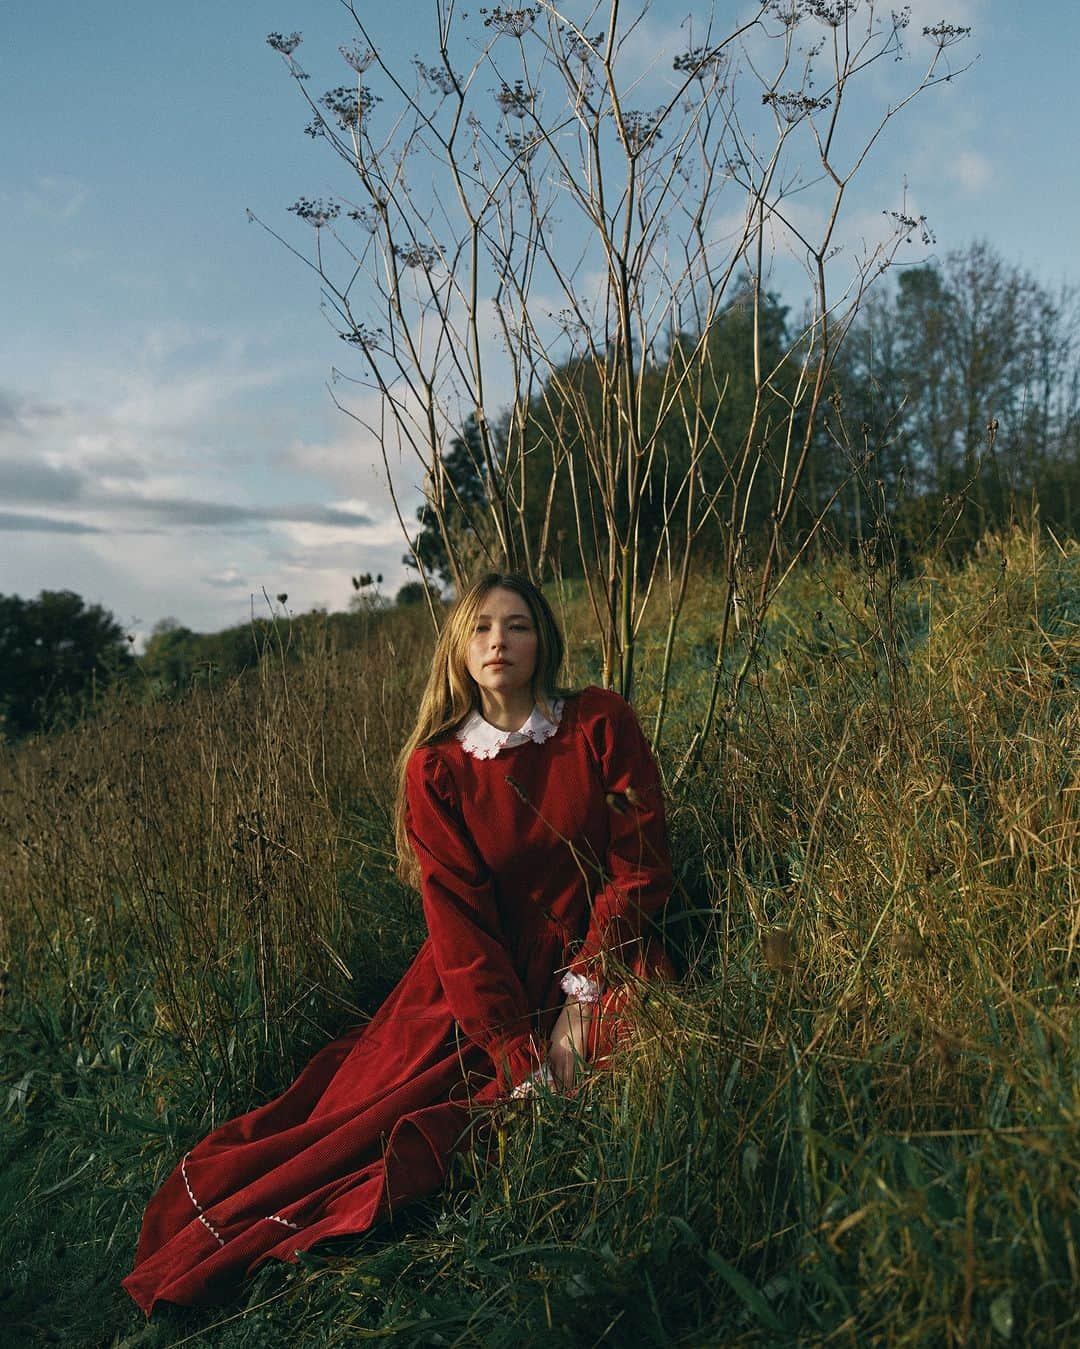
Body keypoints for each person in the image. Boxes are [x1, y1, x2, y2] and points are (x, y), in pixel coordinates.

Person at [122, 572, 674, 1315]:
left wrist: (585, 989)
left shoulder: (599, 721)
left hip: (609, 946)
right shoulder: (438, 767)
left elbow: (640, 863)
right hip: (484, 974)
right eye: (480, 627)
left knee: (619, 1052)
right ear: (458, 648)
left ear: (543, 638)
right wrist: (517, 1049)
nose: (498, 641)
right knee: (399, 1112)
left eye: (516, 625)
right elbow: (460, 926)